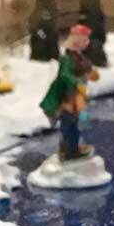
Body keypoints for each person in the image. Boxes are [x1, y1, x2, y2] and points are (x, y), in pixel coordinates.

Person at [40, 23, 99, 161]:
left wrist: (91, 74)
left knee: (73, 124)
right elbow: (64, 75)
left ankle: (69, 148)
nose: (87, 42)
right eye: (84, 39)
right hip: (67, 98)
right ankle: (71, 151)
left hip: (75, 98)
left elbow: (86, 70)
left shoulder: (79, 57)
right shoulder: (66, 59)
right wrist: (76, 82)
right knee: (69, 125)